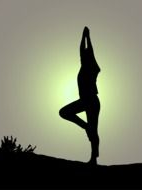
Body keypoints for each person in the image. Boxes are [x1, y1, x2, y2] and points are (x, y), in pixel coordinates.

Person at [59, 26, 101, 165]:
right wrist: (83, 37)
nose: (83, 55)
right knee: (64, 112)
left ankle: (93, 158)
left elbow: (89, 51)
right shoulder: (84, 65)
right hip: (85, 100)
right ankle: (86, 126)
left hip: (92, 101)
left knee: (94, 130)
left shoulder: (93, 67)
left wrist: (87, 38)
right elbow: (81, 51)